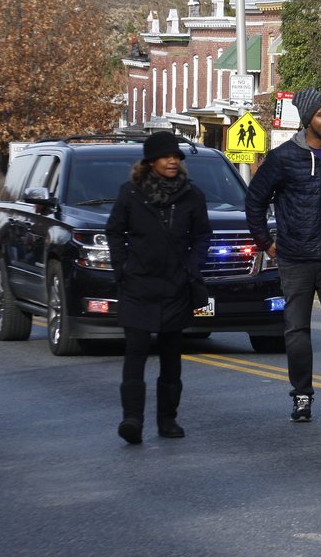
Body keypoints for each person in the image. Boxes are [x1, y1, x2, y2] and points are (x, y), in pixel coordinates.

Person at [245, 87, 321, 425]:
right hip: (295, 257)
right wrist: (266, 242)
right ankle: (302, 396)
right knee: (296, 328)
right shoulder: (283, 157)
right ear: (307, 120)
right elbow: (255, 200)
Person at [106, 131, 212, 445]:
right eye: (166, 156)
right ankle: (132, 420)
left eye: (177, 156)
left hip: (176, 286)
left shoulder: (192, 194)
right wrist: (122, 267)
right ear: (151, 160)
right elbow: (114, 232)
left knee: (171, 357)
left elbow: (203, 236)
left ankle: (168, 420)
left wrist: (191, 268)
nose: (173, 161)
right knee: (135, 354)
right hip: (138, 285)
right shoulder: (131, 193)